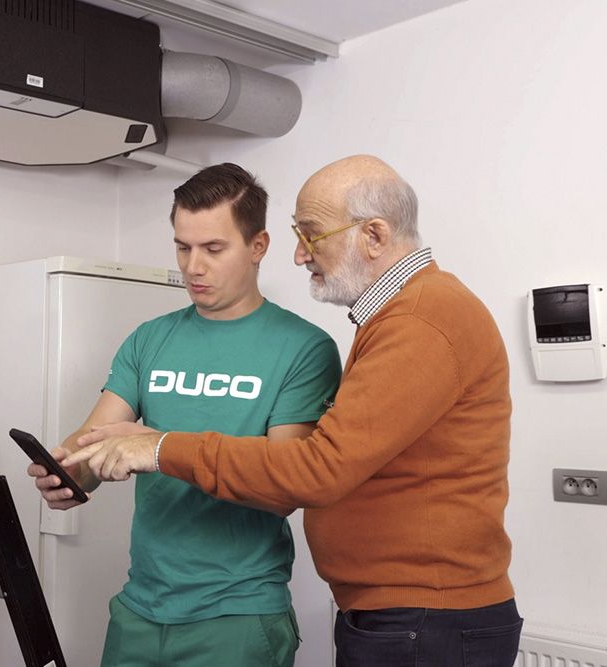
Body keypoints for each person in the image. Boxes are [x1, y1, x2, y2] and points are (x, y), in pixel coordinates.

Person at [64, 154, 523, 667]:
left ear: (373, 235)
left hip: (423, 617)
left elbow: (315, 471)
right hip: (404, 614)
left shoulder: (419, 319)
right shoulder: (405, 315)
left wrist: (160, 447)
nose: (302, 255)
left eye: (312, 234)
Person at [28, 162, 341, 667]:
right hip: (139, 609)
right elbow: (93, 443)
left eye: (213, 249)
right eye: (182, 247)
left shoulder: (304, 348)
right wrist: (66, 473)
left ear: (258, 246)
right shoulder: (149, 338)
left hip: (237, 615)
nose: (193, 266)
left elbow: (287, 485)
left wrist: (159, 447)